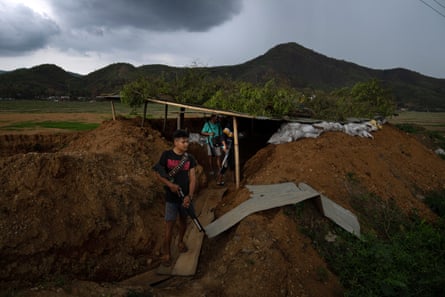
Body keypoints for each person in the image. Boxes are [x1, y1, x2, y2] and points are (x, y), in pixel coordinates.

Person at [152, 129, 196, 267]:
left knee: (183, 222)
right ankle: (167, 253)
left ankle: (180, 241)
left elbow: (193, 178)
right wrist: (170, 185)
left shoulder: (190, 159)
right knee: (169, 226)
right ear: (176, 142)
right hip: (171, 198)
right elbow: (158, 174)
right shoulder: (166, 155)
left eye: (187, 141)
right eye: (183, 142)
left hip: (185, 199)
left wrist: (189, 196)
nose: (186, 144)